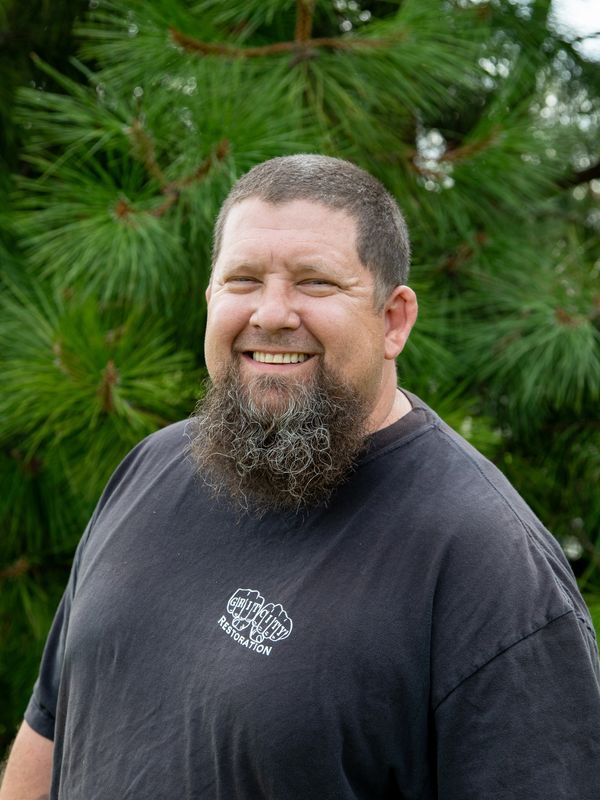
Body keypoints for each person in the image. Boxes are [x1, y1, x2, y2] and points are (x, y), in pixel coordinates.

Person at [1, 155, 599, 800]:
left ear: (394, 319)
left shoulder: (486, 560)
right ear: (210, 299)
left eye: (315, 283)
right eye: (243, 280)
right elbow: (52, 725)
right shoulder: (150, 469)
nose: (272, 314)